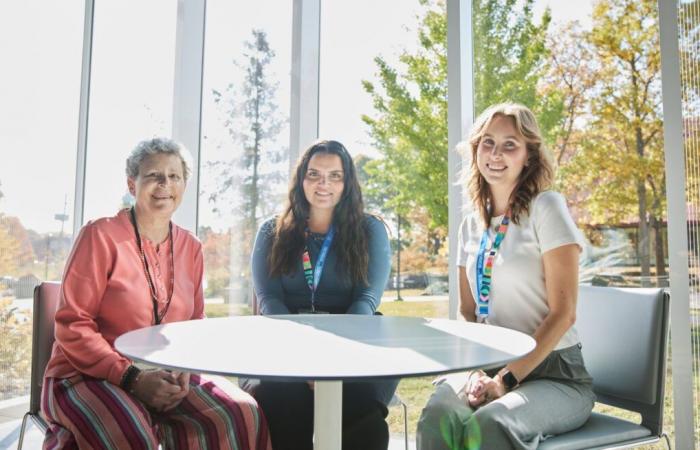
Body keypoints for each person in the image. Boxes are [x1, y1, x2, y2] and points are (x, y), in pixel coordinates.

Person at [41, 138, 271, 450]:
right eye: (153, 176)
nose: (165, 185)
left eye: (174, 176)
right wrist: (132, 378)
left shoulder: (192, 247)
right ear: (132, 183)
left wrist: (183, 371)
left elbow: (194, 324)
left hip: (166, 375)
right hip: (86, 375)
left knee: (242, 412)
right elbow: (73, 325)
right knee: (130, 433)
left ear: (184, 185)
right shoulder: (100, 235)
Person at [416, 103, 595, 450]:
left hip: (555, 374)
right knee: (438, 418)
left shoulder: (547, 208)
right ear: (475, 151)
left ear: (528, 156)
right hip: (486, 363)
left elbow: (564, 313)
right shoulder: (470, 225)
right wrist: (472, 373)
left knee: (491, 423)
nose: (496, 154)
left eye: (510, 144)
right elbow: (467, 312)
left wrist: (507, 379)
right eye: (487, 143)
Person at [250, 140, 397, 450]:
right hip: (285, 342)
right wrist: (304, 358)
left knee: (361, 415)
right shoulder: (270, 232)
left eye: (335, 176)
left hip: (357, 341)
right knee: (279, 403)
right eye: (314, 174)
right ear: (301, 179)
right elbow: (269, 302)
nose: (323, 184)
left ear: (348, 183)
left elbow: (366, 300)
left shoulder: (371, 230)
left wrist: (332, 361)